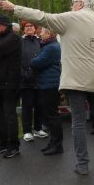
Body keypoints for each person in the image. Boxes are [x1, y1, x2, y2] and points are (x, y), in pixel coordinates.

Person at [0, 0, 94, 175]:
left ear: (80, 4)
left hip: (75, 79)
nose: (71, 6)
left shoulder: (70, 19)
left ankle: (82, 164)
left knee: (78, 121)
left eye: (73, 3)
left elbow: (42, 17)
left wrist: (15, 8)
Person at [0, 14, 22, 159]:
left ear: (3, 25)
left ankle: (14, 145)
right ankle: (3, 142)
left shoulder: (13, 38)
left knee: (9, 114)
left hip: (9, 82)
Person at [30, 27, 63, 155]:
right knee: (49, 115)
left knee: (52, 116)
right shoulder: (49, 45)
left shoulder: (51, 47)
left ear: (48, 34)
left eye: (42, 32)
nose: (40, 33)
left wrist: (33, 60)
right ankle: (53, 142)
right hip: (46, 84)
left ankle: (57, 145)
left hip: (49, 85)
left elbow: (36, 62)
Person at [19, 21, 46, 142]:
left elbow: (44, 57)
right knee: (27, 106)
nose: (29, 28)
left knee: (40, 105)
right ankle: (27, 131)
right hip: (25, 79)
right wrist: (23, 74)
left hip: (39, 78)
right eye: (27, 26)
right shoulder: (20, 42)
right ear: (23, 29)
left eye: (31, 26)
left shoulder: (40, 41)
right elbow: (16, 60)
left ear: (35, 28)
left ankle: (38, 128)